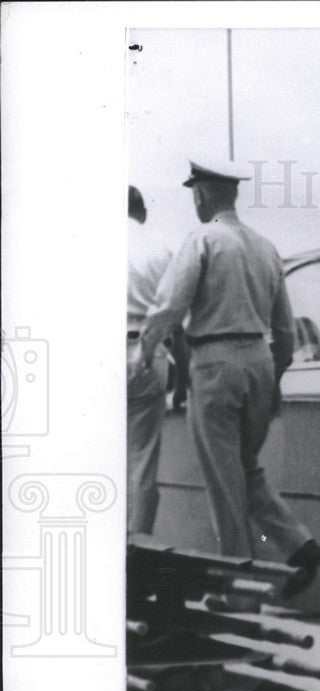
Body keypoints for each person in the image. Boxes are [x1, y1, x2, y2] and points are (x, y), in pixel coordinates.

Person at [141, 160, 320, 593]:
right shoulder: (266, 247)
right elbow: (284, 328)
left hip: (215, 363)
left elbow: (168, 307)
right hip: (259, 362)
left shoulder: (202, 239)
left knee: (224, 486)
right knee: (245, 471)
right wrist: (274, 380)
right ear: (233, 195)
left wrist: (142, 352)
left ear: (200, 194)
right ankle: (299, 545)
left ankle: (237, 591)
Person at [127, 185, 173, 535]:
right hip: (148, 353)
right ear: (142, 213)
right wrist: (183, 376)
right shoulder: (159, 251)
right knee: (143, 461)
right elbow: (174, 317)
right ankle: (138, 545)